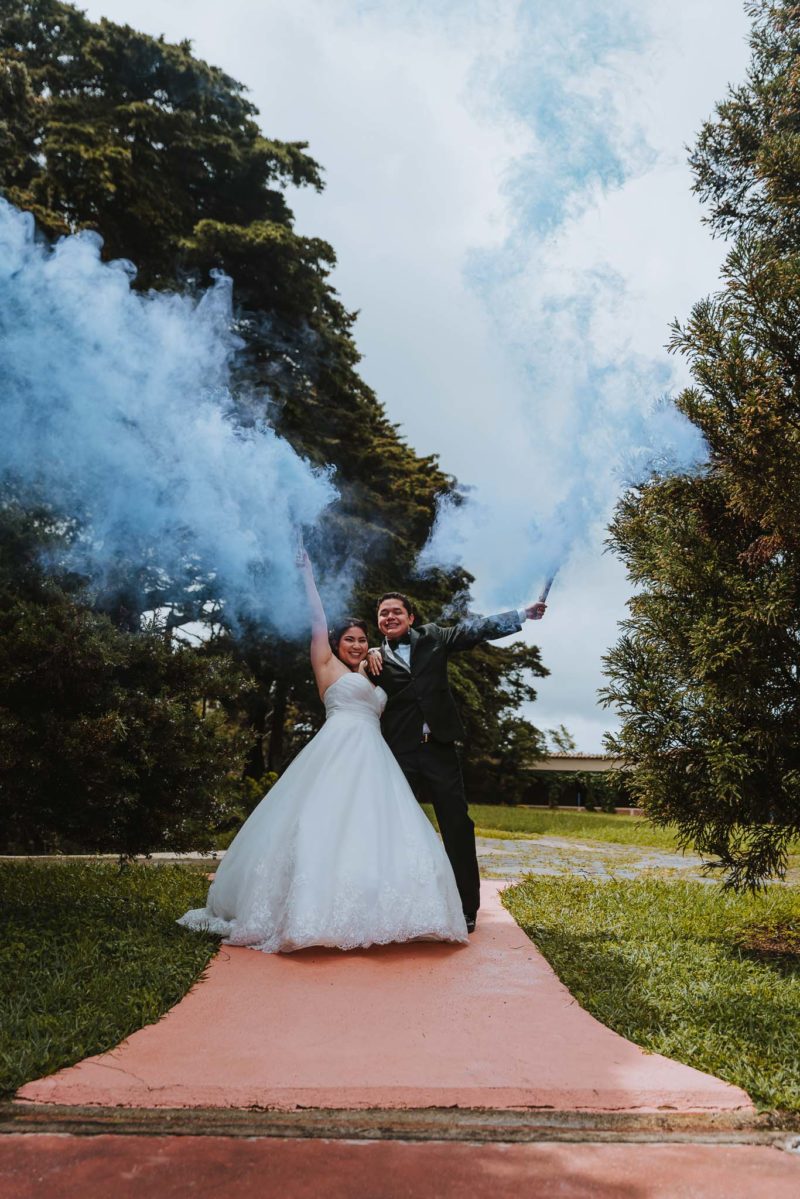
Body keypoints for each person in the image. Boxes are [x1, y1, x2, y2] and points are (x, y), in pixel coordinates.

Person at [177, 552, 468, 953]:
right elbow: (317, 619)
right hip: (335, 753)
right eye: (350, 638)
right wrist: (308, 574)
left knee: (378, 831)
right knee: (321, 824)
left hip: (374, 758)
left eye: (363, 640)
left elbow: (415, 688)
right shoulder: (326, 665)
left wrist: (379, 658)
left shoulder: (374, 669)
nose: (357, 644)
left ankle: (387, 911)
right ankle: (307, 910)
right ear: (336, 643)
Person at [367, 591, 546, 932]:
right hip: (398, 753)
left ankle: (466, 908)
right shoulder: (374, 658)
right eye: (383, 613)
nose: (389, 617)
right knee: (394, 828)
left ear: (411, 618)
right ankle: (393, 905)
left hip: (439, 748)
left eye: (396, 612)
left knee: (458, 826)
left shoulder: (434, 637)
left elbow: (476, 629)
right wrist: (367, 658)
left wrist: (523, 614)